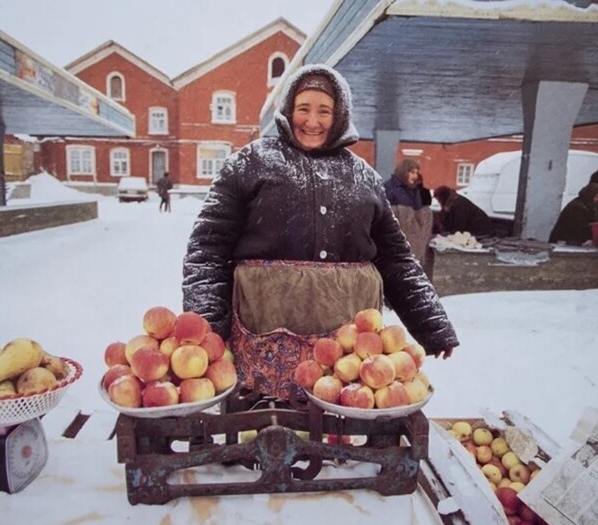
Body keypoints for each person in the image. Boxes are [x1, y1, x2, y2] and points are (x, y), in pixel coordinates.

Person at [182, 64, 459, 399]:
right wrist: (206, 333)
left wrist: (433, 326)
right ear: (287, 111)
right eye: (303, 109)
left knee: (336, 440)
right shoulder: (248, 164)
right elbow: (207, 250)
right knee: (256, 435)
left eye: (324, 111)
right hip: (259, 346)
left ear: (340, 116)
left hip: (346, 360)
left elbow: (396, 259)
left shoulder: (363, 177)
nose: (312, 122)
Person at [384, 159, 434, 267]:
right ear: (404, 171)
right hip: (396, 239)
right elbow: (385, 214)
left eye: (416, 173)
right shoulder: (389, 188)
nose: (415, 176)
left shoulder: (414, 190)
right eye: (412, 172)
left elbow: (418, 211)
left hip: (411, 238)